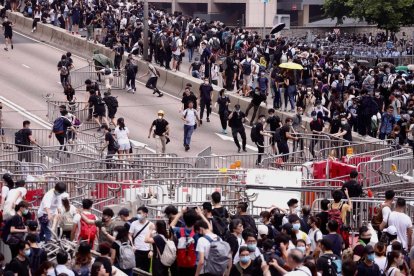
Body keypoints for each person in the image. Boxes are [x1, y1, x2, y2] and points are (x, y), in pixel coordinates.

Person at [129, 206, 154, 272]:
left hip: (147, 250)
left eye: (140, 213)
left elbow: (152, 238)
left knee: (145, 270)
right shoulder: (134, 223)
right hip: (136, 250)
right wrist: (132, 245)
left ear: (145, 214)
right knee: (135, 269)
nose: (138, 215)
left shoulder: (151, 224)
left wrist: (151, 250)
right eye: (137, 213)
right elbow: (130, 235)